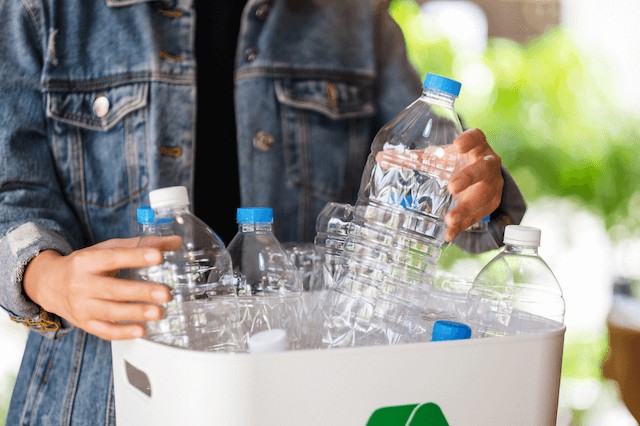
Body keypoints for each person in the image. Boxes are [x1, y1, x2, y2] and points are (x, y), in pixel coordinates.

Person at [0, 0, 525, 424]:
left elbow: (434, 183)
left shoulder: (355, 18)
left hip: (308, 394)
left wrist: (478, 190)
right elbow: (11, 189)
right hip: (99, 392)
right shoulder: (47, 10)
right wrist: (49, 278)